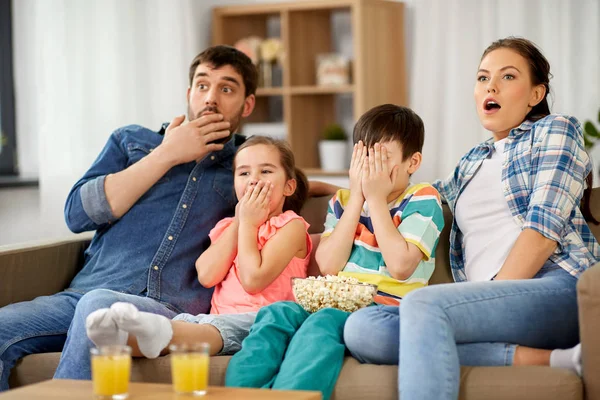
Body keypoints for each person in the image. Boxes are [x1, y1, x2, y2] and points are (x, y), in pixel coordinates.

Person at [0, 45, 335, 390]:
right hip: (86, 291)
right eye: (202, 86)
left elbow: (289, 185)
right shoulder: (133, 142)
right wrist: (166, 155)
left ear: (247, 104)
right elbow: (76, 214)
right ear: (189, 93)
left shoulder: (243, 165)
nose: (211, 99)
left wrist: (348, 193)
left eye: (227, 89)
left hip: (170, 308)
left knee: (99, 306)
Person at [343, 37, 600, 400]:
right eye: (482, 78)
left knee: (422, 306)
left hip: (556, 288)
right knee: (363, 328)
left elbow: (543, 232)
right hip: (484, 303)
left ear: (535, 94)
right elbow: (415, 192)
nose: (490, 86)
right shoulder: (472, 160)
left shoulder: (556, 131)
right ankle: (554, 359)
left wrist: (484, 298)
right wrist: (335, 186)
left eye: (507, 77)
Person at [224, 104, 444, 400]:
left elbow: (401, 266)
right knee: (275, 315)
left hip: (388, 310)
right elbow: (328, 265)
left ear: (412, 161)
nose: (371, 169)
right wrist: (357, 200)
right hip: (336, 301)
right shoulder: (342, 202)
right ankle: (240, 395)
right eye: (365, 157)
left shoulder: (422, 198)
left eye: (382, 159)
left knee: (323, 323)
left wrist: (376, 201)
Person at [85, 136, 312, 358]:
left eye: (266, 171)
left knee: (207, 330)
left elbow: (253, 281)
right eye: (244, 173)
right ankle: (128, 335)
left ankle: (147, 332)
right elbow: (206, 275)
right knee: (187, 322)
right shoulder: (229, 227)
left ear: (288, 186)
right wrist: (240, 222)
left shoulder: (291, 227)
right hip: (217, 321)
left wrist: (250, 224)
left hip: (267, 322)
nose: (253, 179)